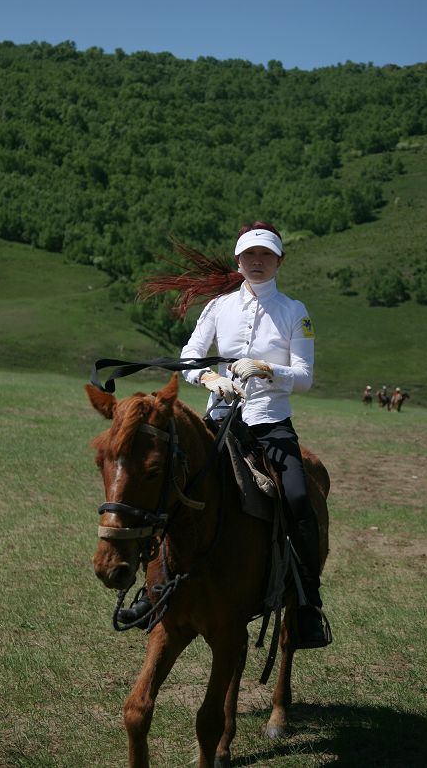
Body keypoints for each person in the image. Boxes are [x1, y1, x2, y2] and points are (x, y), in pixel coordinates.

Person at [122, 221, 330, 648]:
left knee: (297, 499)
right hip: (217, 421)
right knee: (168, 488)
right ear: (238, 261)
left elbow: (306, 377)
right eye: (250, 255)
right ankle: (154, 591)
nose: (257, 262)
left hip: (270, 423)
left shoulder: (295, 310)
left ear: (279, 261)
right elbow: (190, 357)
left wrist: (269, 369)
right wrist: (209, 380)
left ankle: (308, 602)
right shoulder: (218, 307)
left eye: (266, 255)